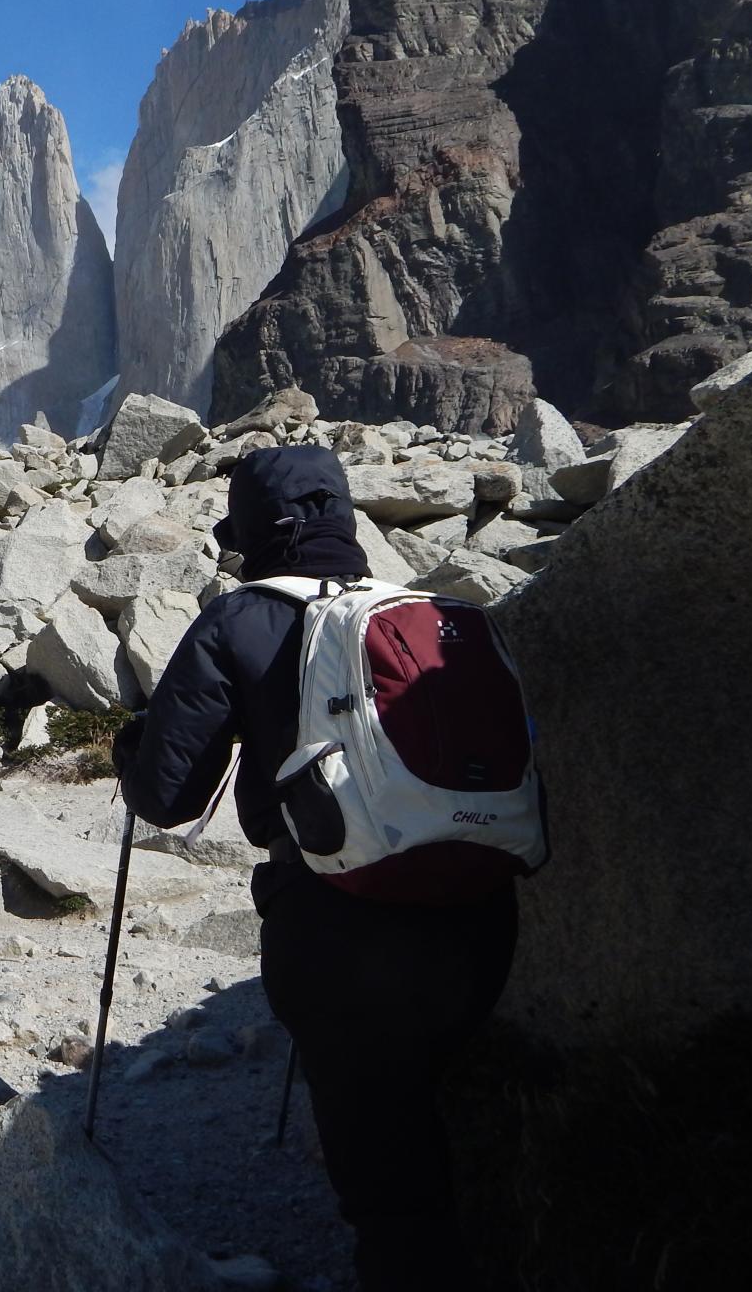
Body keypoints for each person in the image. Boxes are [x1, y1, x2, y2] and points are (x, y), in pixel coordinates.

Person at [113, 446, 516, 1291]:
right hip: (480, 912)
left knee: (388, 1181)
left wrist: (130, 747)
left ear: (255, 531)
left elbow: (168, 796)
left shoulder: (238, 620)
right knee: (423, 1105)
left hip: (340, 932)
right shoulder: (427, 609)